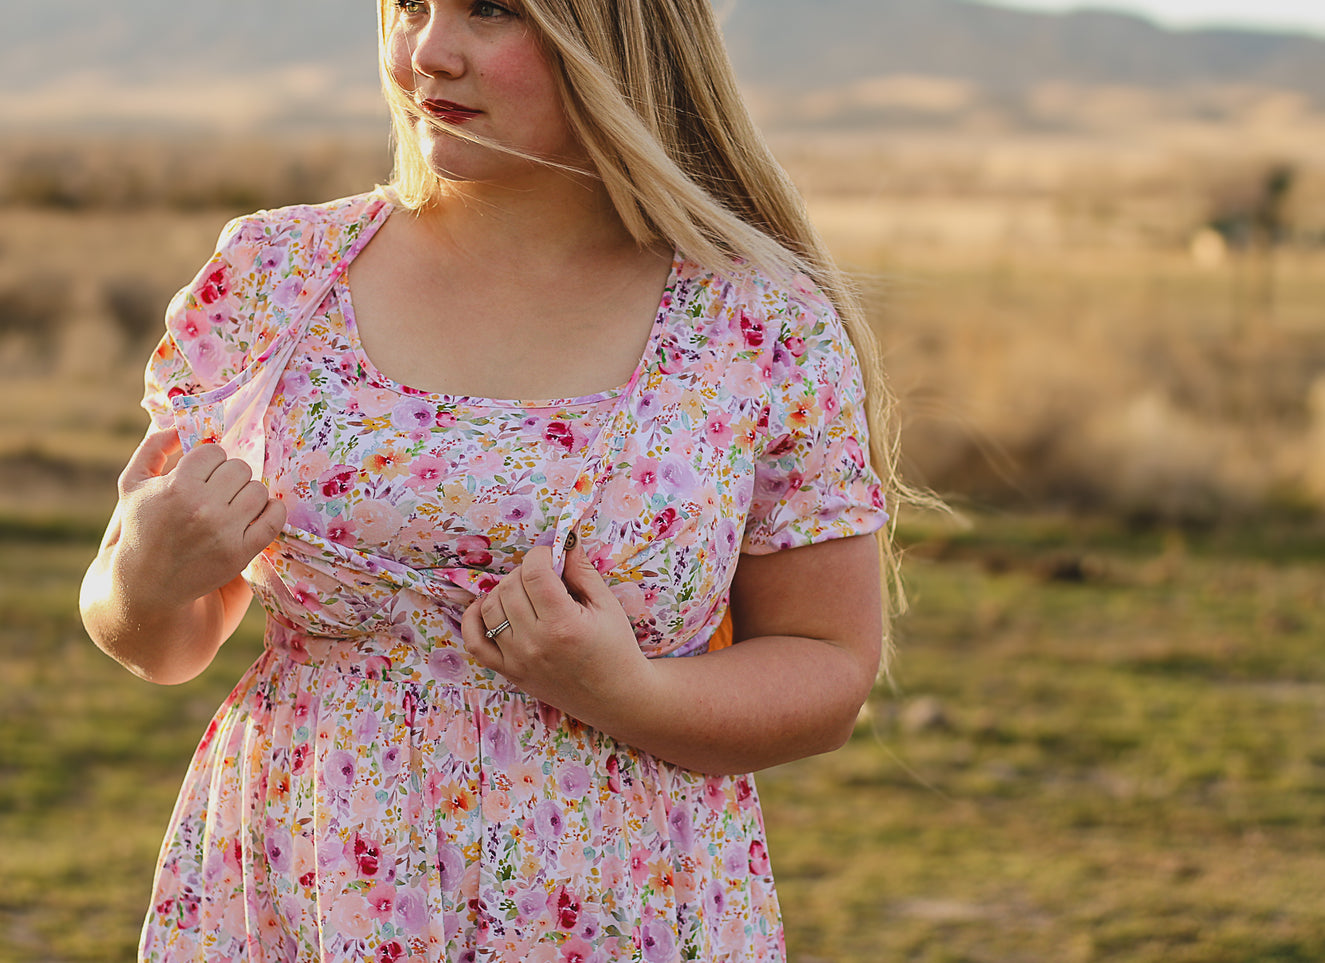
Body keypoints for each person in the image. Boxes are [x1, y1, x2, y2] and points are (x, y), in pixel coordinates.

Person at [80, 0, 902, 959]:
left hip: (616, 908)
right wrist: (143, 576)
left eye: (492, 11)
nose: (427, 51)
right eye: (411, 6)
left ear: (623, 37)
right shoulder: (276, 277)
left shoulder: (759, 322)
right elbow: (158, 642)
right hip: (303, 885)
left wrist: (629, 694)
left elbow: (827, 666)